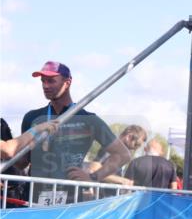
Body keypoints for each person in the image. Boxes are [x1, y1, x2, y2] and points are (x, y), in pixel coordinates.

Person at [21, 61, 130, 203]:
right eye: (43, 81)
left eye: (51, 81)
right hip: (32, 198)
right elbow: (21, 163)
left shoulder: (88, 119)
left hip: (69, 201)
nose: (45, 86)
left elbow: (123, 154)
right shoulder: (32, 117)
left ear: (67, 82)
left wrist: (93, 177)